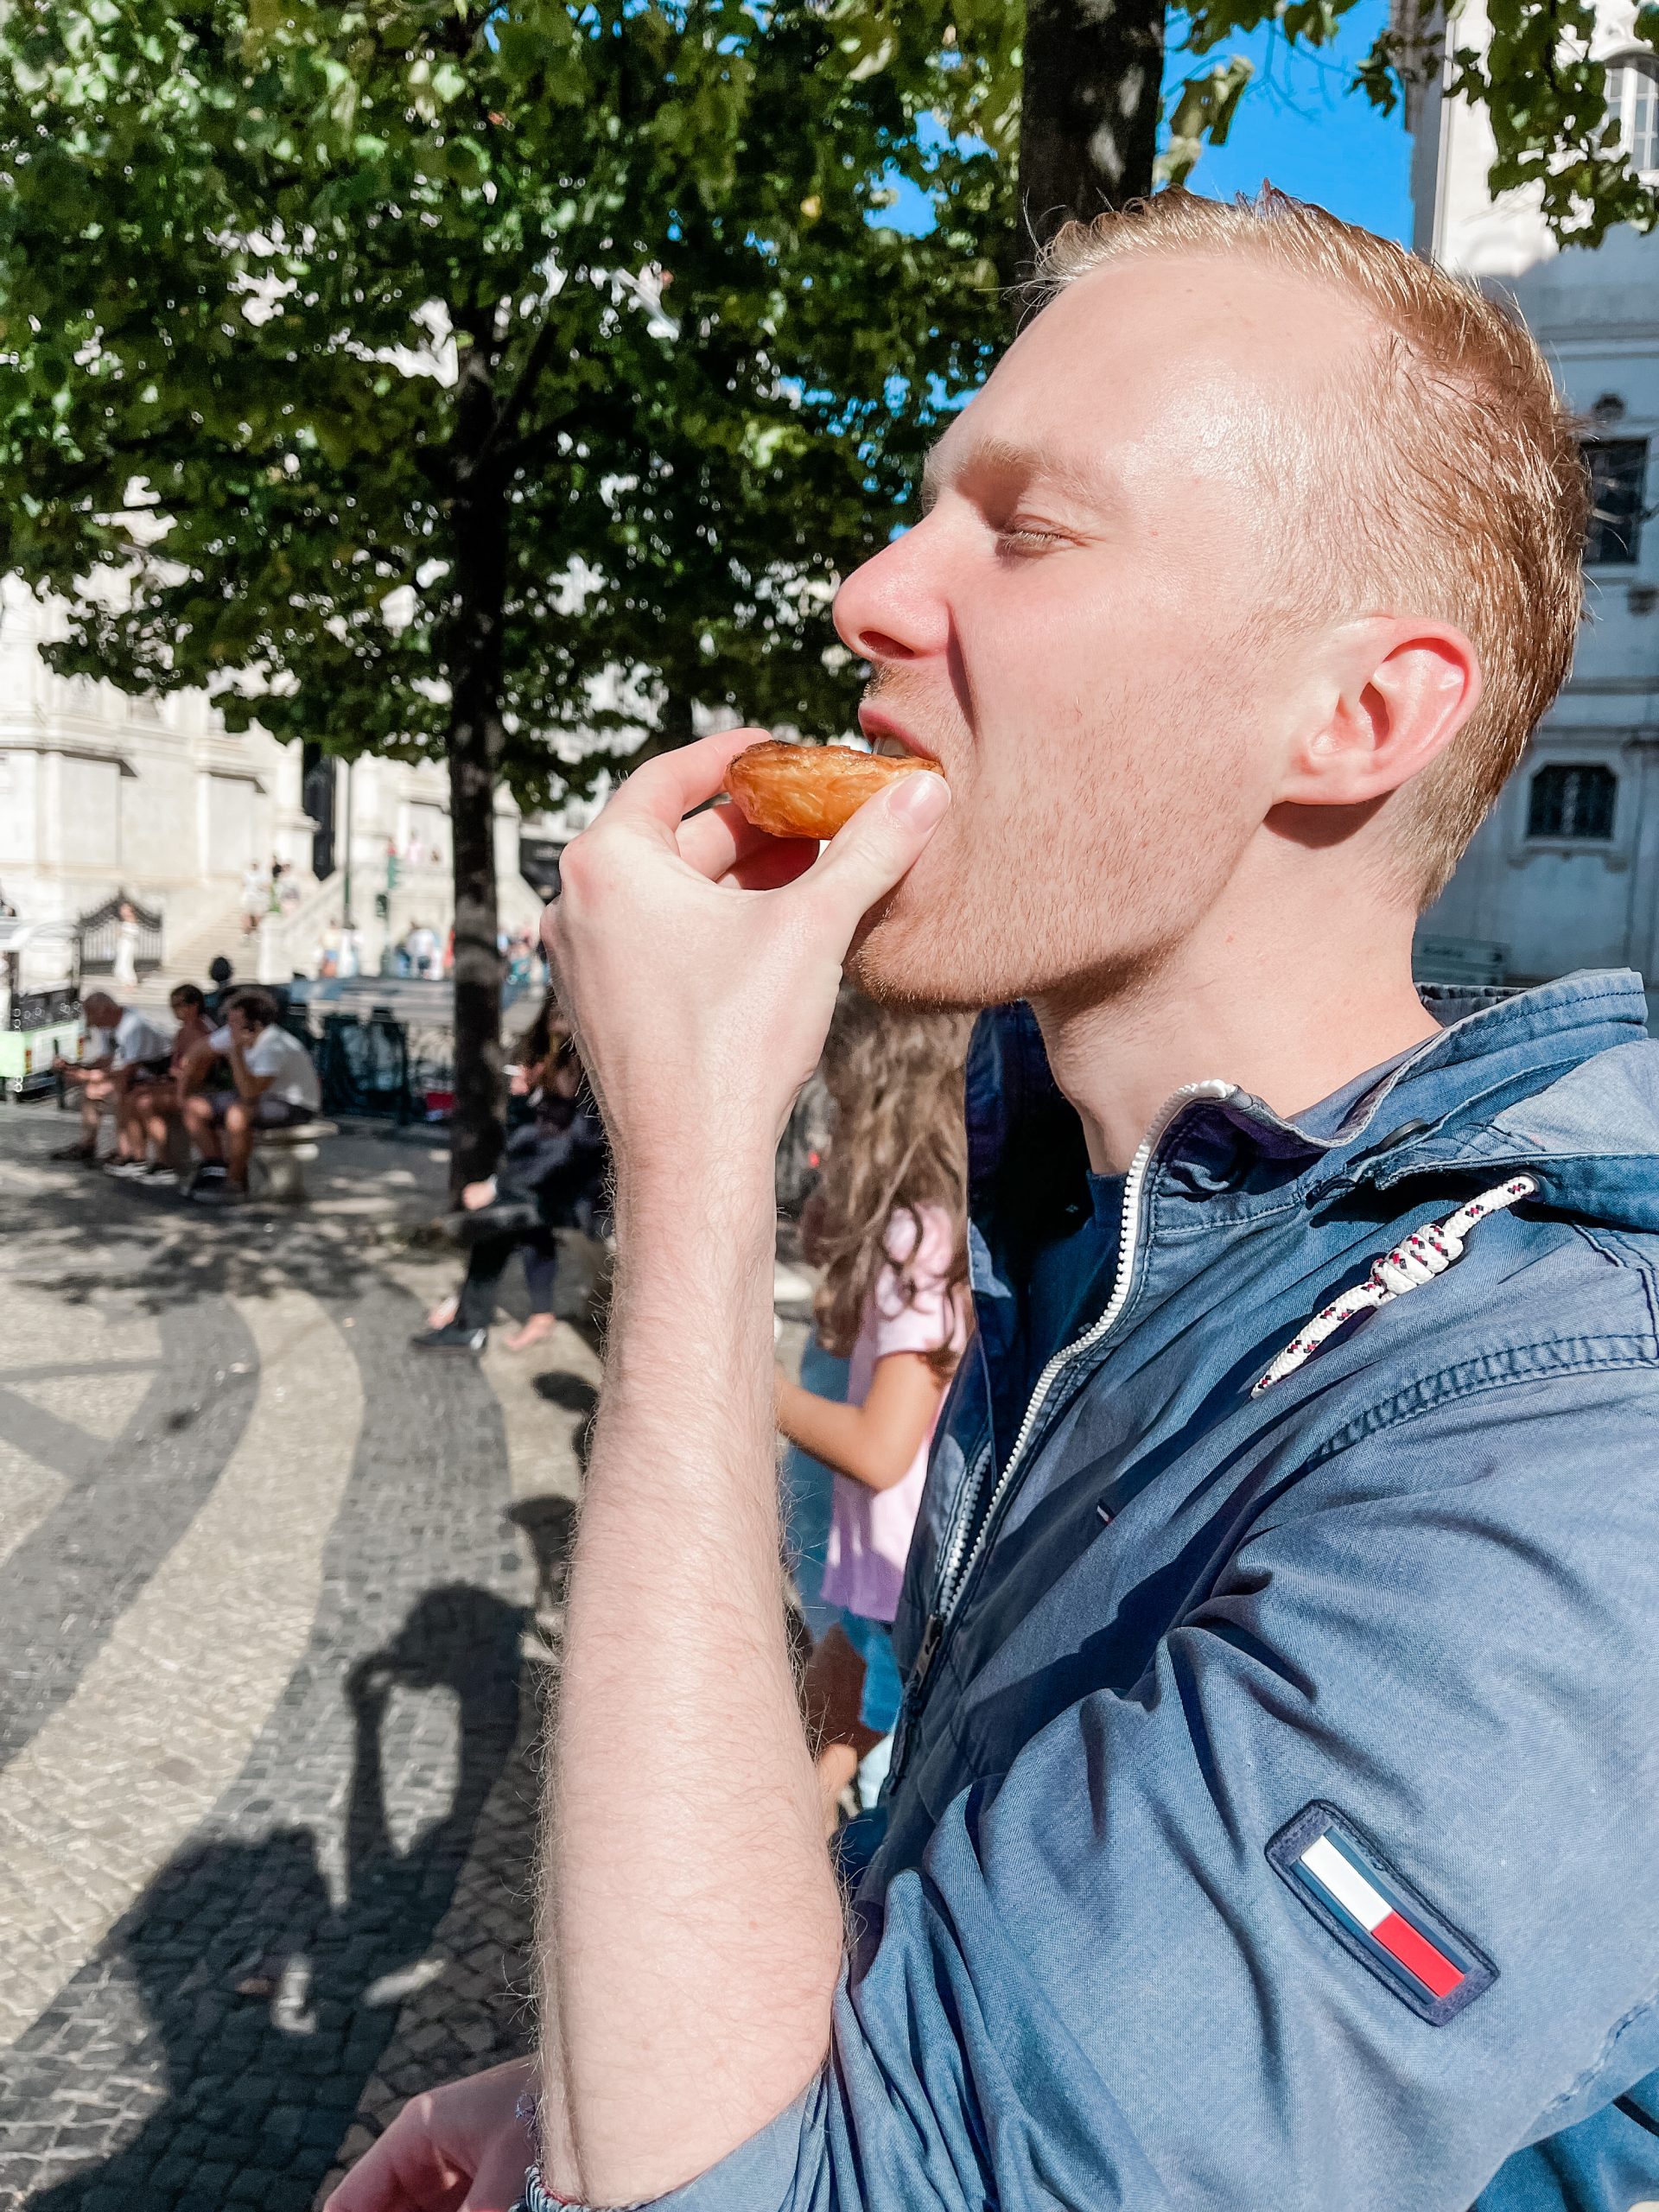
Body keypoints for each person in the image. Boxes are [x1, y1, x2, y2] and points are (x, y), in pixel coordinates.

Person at [327, 191, 1659, 2212]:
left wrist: (691, 1192)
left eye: (1024, 533)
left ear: (1358, 717)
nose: (870, 592)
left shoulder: (1569, 1439)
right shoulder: (1079, 1227)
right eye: (923, 510)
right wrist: (617, 2064)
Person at [774, 992, 970, 1834]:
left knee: (868, 1708)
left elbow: (882, 1451)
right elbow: (820, 1241)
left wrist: (756, 1388)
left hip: (895, 1551)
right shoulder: (933, 1225)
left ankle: (813, 1830)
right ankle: (802, 1805)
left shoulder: (917, 1247)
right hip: (883, 1552)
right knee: (839, 1689)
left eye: (846, 1105)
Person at [411, 992, 607, 1356]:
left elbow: (572, 1148)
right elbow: (532, 1136)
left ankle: (468, 1319)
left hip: (577, 1191)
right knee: (516, 1228)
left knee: (496, 1223)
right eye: (554, 1004)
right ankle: (487, 1318)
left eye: (566, 1003)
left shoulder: (591, 1066)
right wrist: (523, 1095)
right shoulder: (555, 1058)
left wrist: (496, 1184)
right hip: (550, 1182)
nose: (559, 1010)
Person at [180, 987, 321, 1204]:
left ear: (255, 1025)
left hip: (293, 1103)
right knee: (195, 1107)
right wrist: (187, 1086)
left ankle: (235, 1183)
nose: (229, 1026)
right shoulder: (234, 1033)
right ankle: (215, 1167)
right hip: (259, 1097)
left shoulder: (273, 1045)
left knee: (238, 1114)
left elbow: (249, 1091)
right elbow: (194, 1054)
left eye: (235, 1021)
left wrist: (235, 1052)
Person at [49, 989, 173, 1165]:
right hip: (137, 1071)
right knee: (93, 1090)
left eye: (92, 1016)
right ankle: (88, 1145)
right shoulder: (108, 1025)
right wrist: (75, 1066)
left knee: (119, 1092)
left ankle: (127, 1153)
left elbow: (128, 1069)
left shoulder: (132, 1026)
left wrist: (89, 1075)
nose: (91, 1023)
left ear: (105, 1011)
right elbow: (105, 1060)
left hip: (157, 1071)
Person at [107, 982, 215, 1184]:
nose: (175, 1011)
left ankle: (163, 1162)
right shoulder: (184, 1031)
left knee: (144, 1102)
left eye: (179, 1005)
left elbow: (198, 1074)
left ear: (193, 1005)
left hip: (197, 1088)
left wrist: (174, 1078)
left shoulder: (201, 1032)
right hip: (179, 1082)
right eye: (172, 1006)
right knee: (133, 1095)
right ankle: (137, 1157)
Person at [111, 900, 140, 988]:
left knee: (126, 963)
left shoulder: (131, 918)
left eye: (125, 908)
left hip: (128, 944)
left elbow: (135, 932)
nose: (123, 910)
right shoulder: (125, 919)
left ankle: (130, 982)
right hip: (123, 944)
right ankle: (126, 982)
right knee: (122, 962)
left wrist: (123, 932)